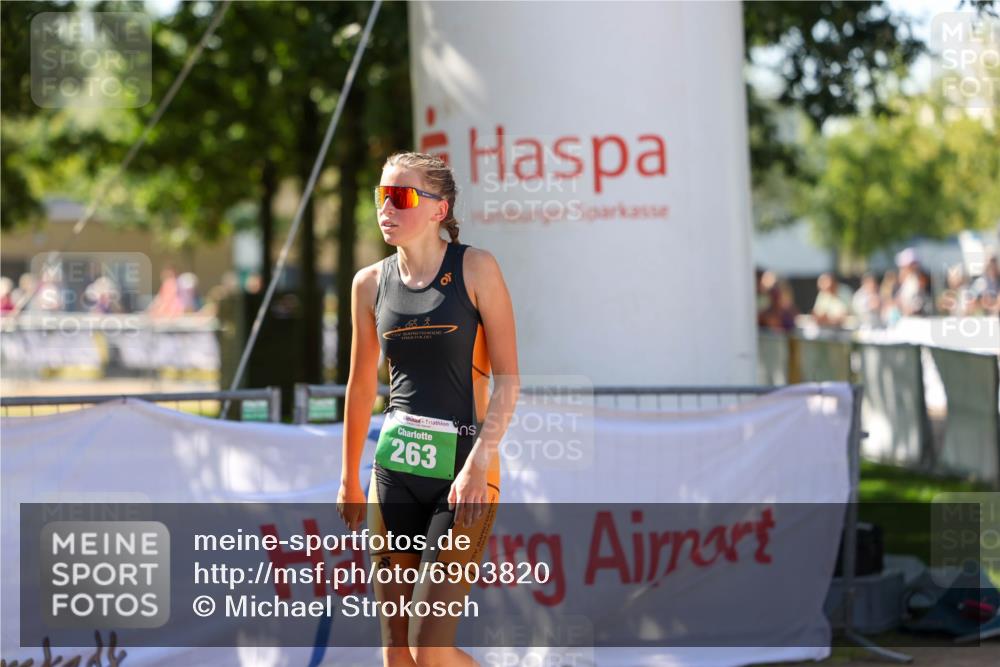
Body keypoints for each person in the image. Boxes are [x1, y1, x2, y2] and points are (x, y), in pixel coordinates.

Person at [337, 151, 520, 667]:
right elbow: (359, 386)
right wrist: (349, 476)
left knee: (428, 646)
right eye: (381, 196)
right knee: (396, 653)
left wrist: (478, 464)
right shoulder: (368, 283)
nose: (385, 207)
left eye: (400, 196)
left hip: (464, 473)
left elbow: (509, 380)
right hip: (392, 471)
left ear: (439, 209)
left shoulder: (477, 268)